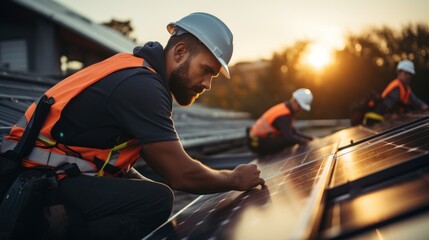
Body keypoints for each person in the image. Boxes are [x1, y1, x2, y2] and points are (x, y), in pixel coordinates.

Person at [0, 12, 265, 240]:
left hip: (46, 175)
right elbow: (180, 173)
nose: (207, 84)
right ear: (180, 52)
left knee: (148, 189)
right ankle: (47, 228)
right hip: (32, 187)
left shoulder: (139, 73)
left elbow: (142, 167)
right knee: (156, 201)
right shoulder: (142, 86)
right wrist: (235, 179)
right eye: (206, 70)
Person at [247, 88, 314, 156]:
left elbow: (292, 130)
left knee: (291, 138)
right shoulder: (284, 115)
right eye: (300, 107)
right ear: (295, 101)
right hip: (256, 143)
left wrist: (308, 138)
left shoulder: (285, 109)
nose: (300, 110)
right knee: (288, 140)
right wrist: (304, 141)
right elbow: (289, 137)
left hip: (258, 140)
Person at [363, 59, 428, 125]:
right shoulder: (396, 87)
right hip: (378, 121)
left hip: (388, 122)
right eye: (406, 73)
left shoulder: (406, 89)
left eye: (410, 74)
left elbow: (417, 102)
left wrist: (425, 107)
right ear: (399, 73)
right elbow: (388, 109)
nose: (408, 76)